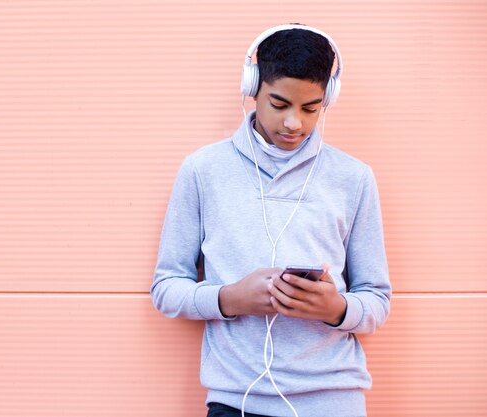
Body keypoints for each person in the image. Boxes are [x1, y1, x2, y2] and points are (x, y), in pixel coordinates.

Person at [150, 23, 391, 417]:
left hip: (334, 400)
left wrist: (335, 309)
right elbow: (166, 288)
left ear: (327, 100)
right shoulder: (202, 170)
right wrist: (231, 299)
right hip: (236, 402)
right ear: (252, 89)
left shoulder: (354, 178)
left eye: (310, 108)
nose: (294, 123)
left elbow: (376, 300)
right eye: (279, 104)